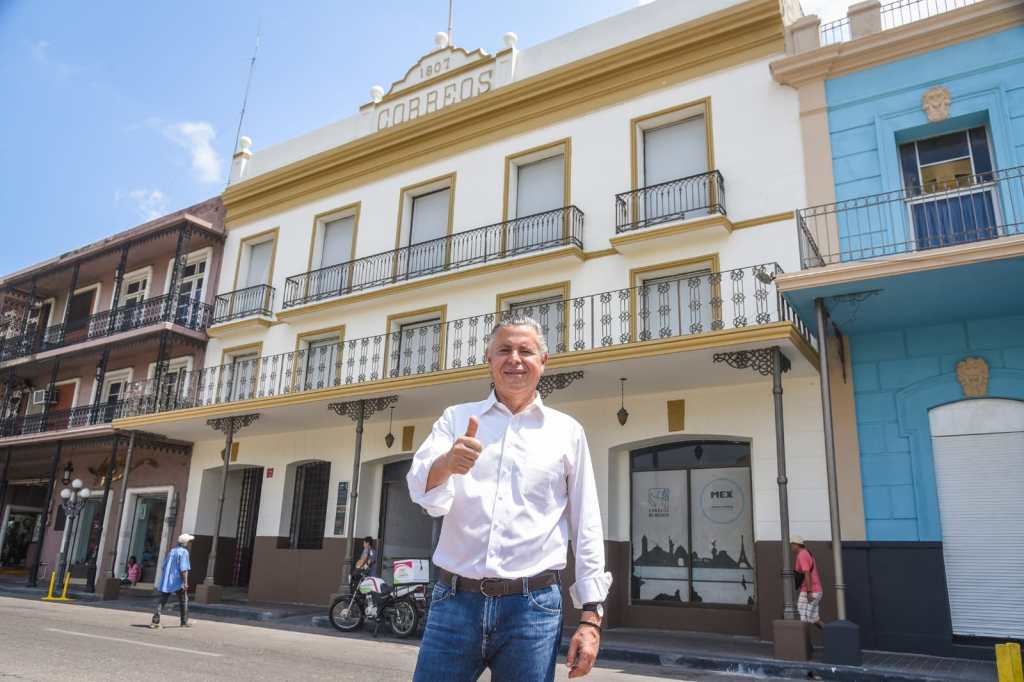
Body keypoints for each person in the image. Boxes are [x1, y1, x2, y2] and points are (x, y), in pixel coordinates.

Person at [407, 316, 611, 681]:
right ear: (489, 360)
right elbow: (422, 488)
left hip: (532, 608)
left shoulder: (567, 431)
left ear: (543, 362)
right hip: (454, 602)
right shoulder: (456, 419)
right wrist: (447, 463)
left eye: (525, 351)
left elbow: (586, 524)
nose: (514, 359)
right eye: (504, 350)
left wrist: (590, 618)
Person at [150, 533, 193, 629]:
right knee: (184, 600)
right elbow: (183, 569)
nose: (189, 543)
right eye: (189, 541)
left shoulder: (172, 551)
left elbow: (164, 565)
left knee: (162, 600)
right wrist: (185, 582)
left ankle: (155, 621)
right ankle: (184, 621)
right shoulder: (184, 552)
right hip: (177, 580)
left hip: (168, 580)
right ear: (185, 543)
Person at [790, 536, 823, 629]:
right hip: (815, 590)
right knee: (814, 619)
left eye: (792, 545)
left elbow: (807, 572)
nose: (791, 547)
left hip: (810, 591)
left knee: (804, 618)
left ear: (797, 545)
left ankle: (804, 643)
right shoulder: (806, 553)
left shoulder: (802, 555)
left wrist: (809, 592)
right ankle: (831, 635)